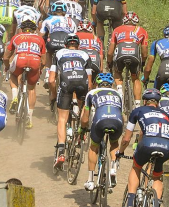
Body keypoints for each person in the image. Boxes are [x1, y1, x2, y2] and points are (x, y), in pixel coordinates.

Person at [117, 89, 169, 207]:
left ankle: (131, 202)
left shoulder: (138, 111)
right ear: (158, 102)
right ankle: (156, 203)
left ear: (144, 101)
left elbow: (126, 139)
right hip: (166, 147)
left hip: (147, 144)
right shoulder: (166, 115)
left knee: (136, 167)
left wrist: (120, 152)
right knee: (157, 177)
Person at [50, 33, 96, 170]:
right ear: (78, 45)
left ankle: (62, 151)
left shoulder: (58, 54)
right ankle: (81, 134)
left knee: (62, 119)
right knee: (82, 110)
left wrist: (53, 96)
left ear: (65, 45)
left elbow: (52, 80)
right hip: (82, 84)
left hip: (65, 86)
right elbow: (89, 82)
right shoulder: (84, 54)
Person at [81, 72, 124, 192]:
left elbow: (85, 118)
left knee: (93, 147)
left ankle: (90, 180)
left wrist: (82, 128)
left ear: (97, 83)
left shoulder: (91, 93)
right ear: (111, 84)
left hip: (100, 121)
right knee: (114, 143)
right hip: (117, 121)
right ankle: (113, 168)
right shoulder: (118, 94)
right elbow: (123, 116)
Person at [109, 12, 148, 106]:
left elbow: (110, 51)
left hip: (120, 52)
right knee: (135, 78)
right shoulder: (142, 31)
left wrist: (109, 62)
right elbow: (144, 51)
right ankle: (137, 104)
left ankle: (119, 91)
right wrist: (142, 62)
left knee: (117, 72)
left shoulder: (117, 29)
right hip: (134, 54)